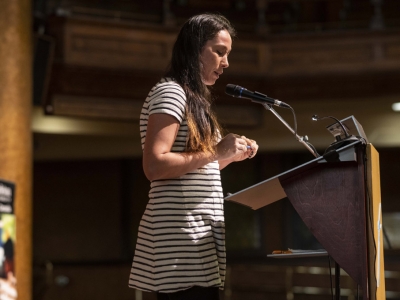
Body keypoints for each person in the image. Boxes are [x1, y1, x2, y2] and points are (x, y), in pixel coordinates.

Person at [129, 13, 258, 300]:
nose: (226, 63)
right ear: (194, 48)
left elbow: (195, 169)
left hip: (197, 240)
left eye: (228, 54)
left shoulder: (193, 99)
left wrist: (230, 156)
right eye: (219, 52)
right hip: (179, 242)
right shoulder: (170, 92)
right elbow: (154, 165)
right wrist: (216, 151)